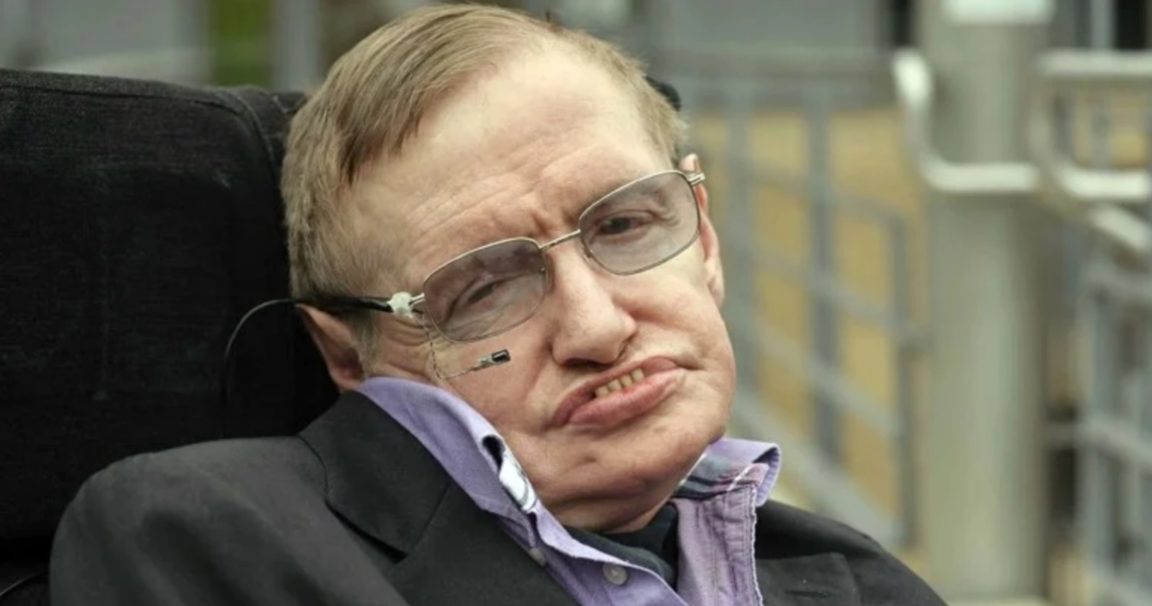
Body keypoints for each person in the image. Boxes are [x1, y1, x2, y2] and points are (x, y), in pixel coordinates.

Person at [50, 5, 944, 605]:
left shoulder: (862, 581)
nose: (598, 328)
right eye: (483, 288)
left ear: (703, 237)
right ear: (349, 353)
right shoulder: (209, 534)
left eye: (625, 225)